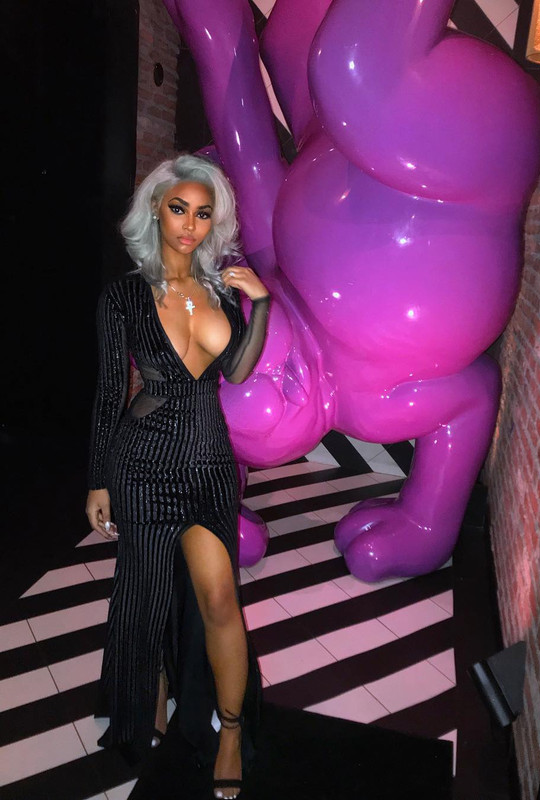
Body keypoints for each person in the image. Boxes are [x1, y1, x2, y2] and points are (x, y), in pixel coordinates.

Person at [86, 154, 270, 800]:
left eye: (203, 213)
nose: (190, 224)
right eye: (178, 209)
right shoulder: (124, 296)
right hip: (143, 464)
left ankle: (229, 731)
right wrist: (98, 479)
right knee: (146, 596)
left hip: (210, 464)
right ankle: (148, 699)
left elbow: (238, 370)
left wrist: (260, 303)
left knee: (219, 599)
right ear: (155, 211)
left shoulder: (221, 291)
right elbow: (110, 393)